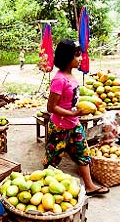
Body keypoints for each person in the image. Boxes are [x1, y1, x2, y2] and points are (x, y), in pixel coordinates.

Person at [42, 39, 109, 196]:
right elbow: (51, 107)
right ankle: (45, 188)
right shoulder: (59, 79)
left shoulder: (71, 76)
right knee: (53, 159)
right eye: (77, 56)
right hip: (59, 127)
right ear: (67, 57)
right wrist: (72, 113)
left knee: (82, 153)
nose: (80, 59)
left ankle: (90, 186)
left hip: (74, 124)